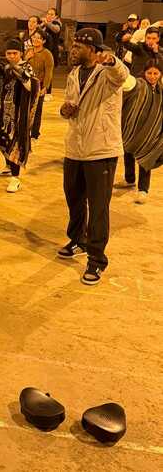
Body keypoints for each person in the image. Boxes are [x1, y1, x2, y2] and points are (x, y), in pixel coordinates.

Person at [59, 27, 129, 285]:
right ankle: (77, 240)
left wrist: (111, 60)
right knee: (74, 198)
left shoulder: (107, 74)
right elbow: (69, 103)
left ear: (92, 50)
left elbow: (122, 75)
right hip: (75, 148)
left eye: (78, 46)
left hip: (101, 149)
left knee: (98, 207)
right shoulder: (74, 74)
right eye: (73, 45)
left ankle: (97, 259)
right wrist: (65, 110)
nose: (72, 49)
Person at [0, 39, 40, 193]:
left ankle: (15, 178)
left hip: (18, 115)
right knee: (2, 140)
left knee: (15, 145)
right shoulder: (1, 66)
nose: (12, 56)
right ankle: (8, 166)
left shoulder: (26, 67)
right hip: (1, 111)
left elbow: (32, 87)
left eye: (15, 53)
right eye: (9, 53)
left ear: (21, 53)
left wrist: (18, 71)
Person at [115, 59, 163, 203]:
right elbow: (126, 86)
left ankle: (143, 189)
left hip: (151, 132)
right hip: (132, 129)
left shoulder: (161, 89)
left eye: (156, 73)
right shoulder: (138, 84)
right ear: (144, 72)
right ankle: (129, 179)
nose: (152, 76)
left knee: (146, 158)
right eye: (149, 73)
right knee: (128, 152)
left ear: (161, 74)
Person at [25, 28, 54, 139]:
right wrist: (26, 58)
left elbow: (49, 72)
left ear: (44, 41)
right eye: (34, 37)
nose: (35, 39)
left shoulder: (47, 54)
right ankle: (25, 130)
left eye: (39, 38)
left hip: (39, 85)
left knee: (37, 110)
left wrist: (45, 87)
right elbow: (22, 66)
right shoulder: (28, 51)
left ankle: (34, 133)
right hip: (27, 83)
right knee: (26, 108)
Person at [41, 7, 62, 99]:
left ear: (56, 16)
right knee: (42, 72)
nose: (49, 16)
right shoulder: (45, 24)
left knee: (48, 73)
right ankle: (42, 91)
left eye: (51, 14)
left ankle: (48, 93)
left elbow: (56, 29)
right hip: (44, 51)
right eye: (48, 14)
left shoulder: (57, 23)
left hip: (52, 52)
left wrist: (46, 23)